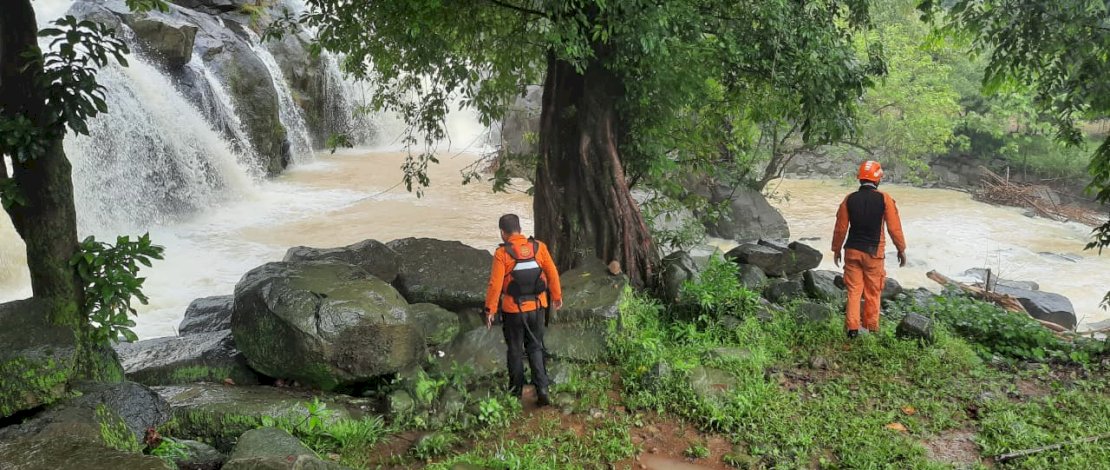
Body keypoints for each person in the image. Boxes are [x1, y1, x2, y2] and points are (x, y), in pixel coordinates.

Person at [484, 214, 562, 406]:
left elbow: (495, 285)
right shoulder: (538, 247)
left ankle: (515, 392)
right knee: (536, 346)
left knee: (515, 350)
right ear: (519, 229)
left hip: (513, 310)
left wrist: (490, 310)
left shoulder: (502, 254)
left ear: (503, 233)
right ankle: (542, 389)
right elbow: (552, 272)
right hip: (537, 307)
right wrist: (557, 297)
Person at [832, 161, 907, 338]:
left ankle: (852, 330)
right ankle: (871, 329)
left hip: (852, 251)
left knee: (854, 291)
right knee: (873, 292)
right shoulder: (884, 198)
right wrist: (901, 249)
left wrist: (836, 249)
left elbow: (840, 228)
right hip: (874, 253)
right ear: (878, 179)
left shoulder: (849, 199)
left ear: (860, 179)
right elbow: (894, 228)